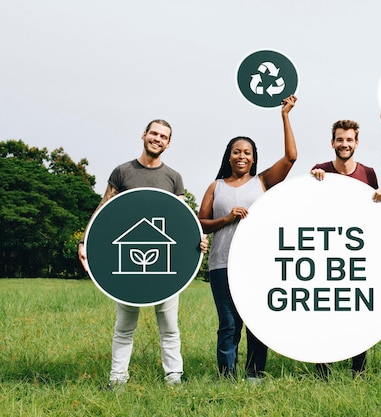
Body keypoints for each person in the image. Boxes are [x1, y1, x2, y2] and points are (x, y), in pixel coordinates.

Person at [78, 119, 208, 388]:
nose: (158, 139)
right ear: (144, 135)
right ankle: (117, 378)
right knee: (124, 327)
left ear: (168, 143)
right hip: (128, 264)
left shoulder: (173, 177)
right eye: (154, 134)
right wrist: (84, 241)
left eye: (163, 136)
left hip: (164, 264)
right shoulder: (122, 172)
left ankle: (174, 376)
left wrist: (199, 239)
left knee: (170, 327)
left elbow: (182, 220)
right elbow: (104, 207)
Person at [198, 95, 298, 381]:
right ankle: (226, 377)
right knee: (228, 324)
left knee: (257, 322)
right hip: (222, 265)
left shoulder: (262, 182)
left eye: (248, 152)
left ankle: (255, 375)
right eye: (236, 152)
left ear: (254, 158)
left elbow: (291, 157)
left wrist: (285, 116)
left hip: (258, 265)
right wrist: (226, 219)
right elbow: (201, 224)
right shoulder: (215, 187)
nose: (242, 156)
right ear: (228, 156)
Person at [310, 119, 381, 379]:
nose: (344, 144)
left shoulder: (369, 173)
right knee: (325, 309)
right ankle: (323, 367)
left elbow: (377, 210)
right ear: (332, 143)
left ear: (357, 143)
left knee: (356, 308)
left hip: (356, 251)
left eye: (349, 140)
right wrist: (314, 180)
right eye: (340, 139)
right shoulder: (320, 170)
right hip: (326, 251)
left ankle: (359, 367)